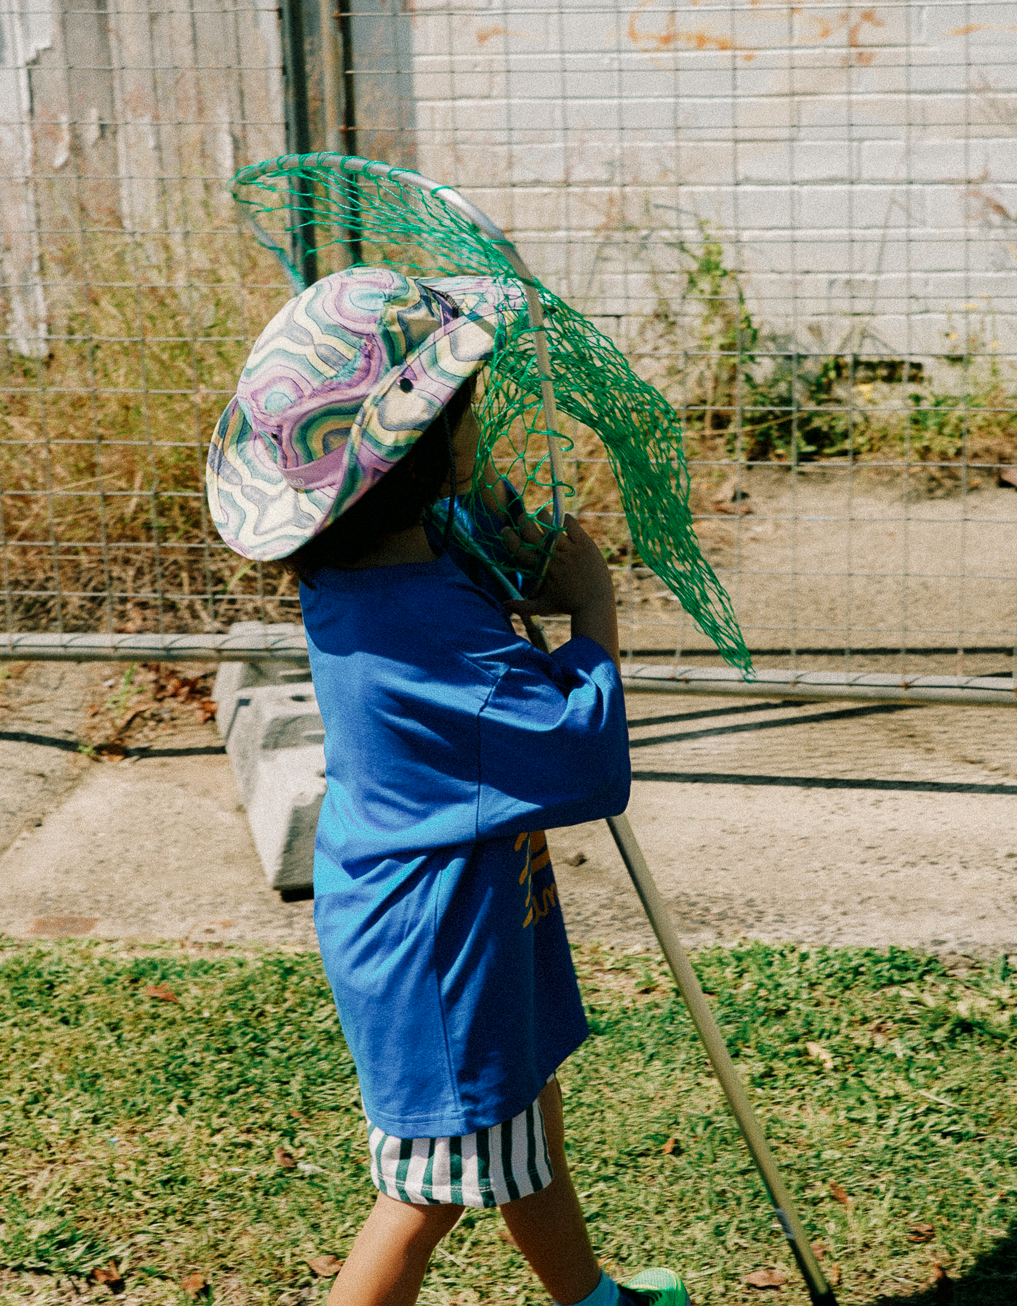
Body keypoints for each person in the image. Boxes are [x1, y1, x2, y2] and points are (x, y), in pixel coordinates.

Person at [207, 267, 689, 1306]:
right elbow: (583, 762)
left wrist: (499, 544)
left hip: (443, 916)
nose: (475, 429)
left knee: (524, 1113)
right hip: (442, 952)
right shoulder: (430, 631)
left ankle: (590, 1297)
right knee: (422, 1194)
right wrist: (593, 610)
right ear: (426, 457)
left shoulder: (366, 567)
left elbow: (454, 554)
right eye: (461, 416)